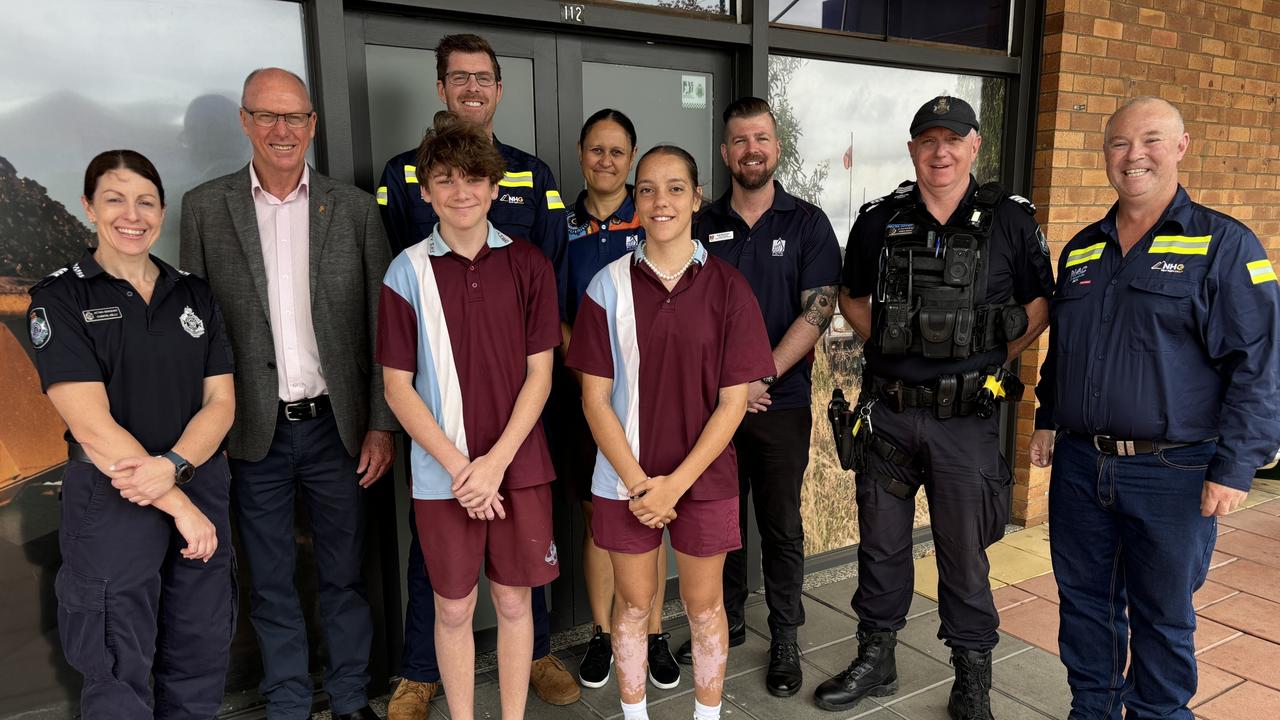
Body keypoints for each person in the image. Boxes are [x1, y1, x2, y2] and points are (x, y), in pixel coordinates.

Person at [1029, 96, 1280, 720]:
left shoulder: (1224, 244)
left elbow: (1259, 362)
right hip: (1083, 467)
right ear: (1105, 154)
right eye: (1119, 142)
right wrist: (1046, 418)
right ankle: (1092, 710)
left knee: (1162, 615)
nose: (1133, 155)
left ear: (1182, 146)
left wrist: (1235, 466)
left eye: (1151, 140)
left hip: (1174, 472)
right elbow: (1067, 348)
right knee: (1085, 604)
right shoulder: (1083, 249)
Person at [816, 96, 1054, 718]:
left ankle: (971, 674)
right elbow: (853, 297)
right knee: (881, 544)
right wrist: (898, 351)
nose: (940, 152)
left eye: (953, 140)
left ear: (975, 146)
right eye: (928, 141)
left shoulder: (1011, 221)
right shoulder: (879, 219)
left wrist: (987, 359)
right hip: (890, 413)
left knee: (964, 553)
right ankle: (877, 656)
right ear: (913, 150)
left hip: (967, 421)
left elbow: (1039, 304)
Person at [180, 68, 396, 720]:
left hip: (340, 428)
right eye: (267, 116)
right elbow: (197, 331)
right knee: (270, 581)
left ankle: (353, 700)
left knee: (345, 575)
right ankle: (289, 703)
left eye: (294, 117)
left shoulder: (354, 209)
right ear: (245, 122)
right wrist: (205, 433)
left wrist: (382, 425)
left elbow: (383, 329)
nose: (282, 130)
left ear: (312, 125)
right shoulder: (205, 208)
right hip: (252, 431)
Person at [374, 33, 578, 717]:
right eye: (445, 182)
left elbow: (541, 374)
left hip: (517, 467)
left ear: (496, 187)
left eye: (474, 180)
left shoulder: (528, 265)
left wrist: (493, 465)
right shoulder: (405, 271)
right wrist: (463, 467)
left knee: (517, 603)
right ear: (426, 192)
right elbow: (397, 386)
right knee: (452, 608)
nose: (461, 192)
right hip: (442, 475)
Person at [566, 145, 775, 720]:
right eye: (649, 189)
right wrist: (639, 484)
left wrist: (673, 487)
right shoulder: (605, 286)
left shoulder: (729, 288)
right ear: (636, 200)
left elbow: (735, 403)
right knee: (633, 608)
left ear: (697, 198)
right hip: (624, 481)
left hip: (702, 481)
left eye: (676, 188)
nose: (662, 201)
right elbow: (594, 397)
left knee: (705, 609)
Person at [29, 149, 236, 718]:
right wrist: (179, 506)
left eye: (146, 201)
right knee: (117, 661)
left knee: (199, 645)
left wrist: (174, 468)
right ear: (89, 208)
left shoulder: (193, 293)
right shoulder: (61, 298)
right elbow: (91, 426)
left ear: (162, 212)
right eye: (115, 199)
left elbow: (221, 402)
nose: (132, 214)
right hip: (112, 499)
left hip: (195, 480)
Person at [679, 96, 841, 698]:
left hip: (781, 403)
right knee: (718, 520)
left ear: (777, 148)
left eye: (762, 139)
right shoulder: (700, 224)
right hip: (710, 406)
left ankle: (787, 637)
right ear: (725, 153)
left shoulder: (808, 224)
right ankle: (725, 621)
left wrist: (756, 379)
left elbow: (818, 311)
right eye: (740, 140)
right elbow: (686, 313)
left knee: (780, 525)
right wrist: (727, 390)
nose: (752, 150)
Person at [556, 108, 680, 692]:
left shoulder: (653, 214)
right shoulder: (560, 223)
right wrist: (589, 365)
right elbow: (554, 316)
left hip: (653, 399)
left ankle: (653, 634)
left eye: (617, 152)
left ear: (631, 159)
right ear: (581, 153)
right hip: (587, 397)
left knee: (648, 512)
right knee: (600, 519)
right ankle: (604, 635)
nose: (606, 161)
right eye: (595, 150)